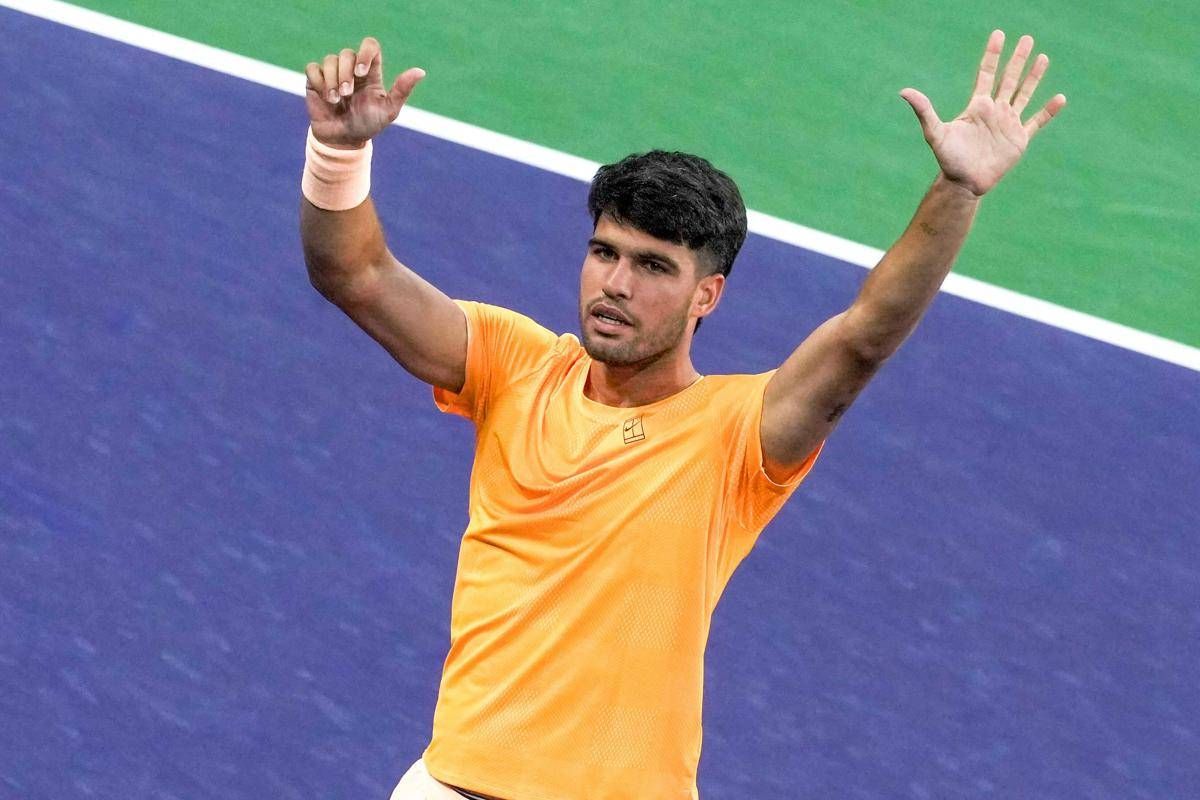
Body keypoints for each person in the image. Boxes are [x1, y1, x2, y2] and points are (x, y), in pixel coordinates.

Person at [300, 30, 1065, 800]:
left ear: (708, 295)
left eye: (653, 266)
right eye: (605, 252)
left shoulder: (737, 436)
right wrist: (337, 151)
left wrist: (957, 190)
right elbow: (356, 274)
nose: (616, 285)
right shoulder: (513, 365)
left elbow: (864, 336)